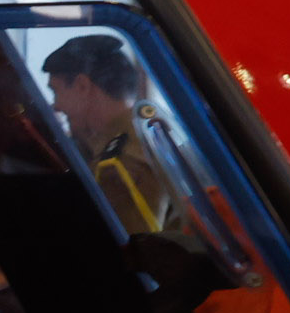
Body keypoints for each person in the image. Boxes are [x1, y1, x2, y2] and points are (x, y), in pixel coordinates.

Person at [43, 33, 188, 241]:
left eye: (56, 91)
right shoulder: (151, 133)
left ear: (83, 86)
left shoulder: (117, 165)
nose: (56, 106)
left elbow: (131, 254)